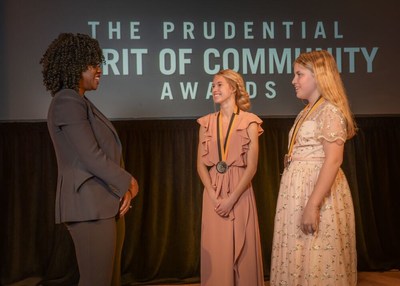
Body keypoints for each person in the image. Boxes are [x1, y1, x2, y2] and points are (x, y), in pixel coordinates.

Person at [40, 33, 139, 286]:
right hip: (88, 207)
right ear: (74, 66)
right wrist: (128, 182)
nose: (99, 70)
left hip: (103, 204)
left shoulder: (81, 102)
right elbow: (91, 157)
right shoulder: (66, 101)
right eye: (92, 63)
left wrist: (120, 190)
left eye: (99, 63)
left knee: (110, 281)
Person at [270, 50, 357, 285]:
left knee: (317, 254)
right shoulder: (306, 111)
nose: (293, 80)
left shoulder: (330, 110)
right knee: (300, 254)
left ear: (318, 75)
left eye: (299, 74)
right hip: (298, 191)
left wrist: (313, 204)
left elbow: (333, 160)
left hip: (315, 192)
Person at [197, 69, 264, 286]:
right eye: (213, 86)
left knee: (243, 252)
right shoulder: (206, 122)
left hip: (240, 191)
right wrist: (214, 196)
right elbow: (200, 165)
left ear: (233, 88)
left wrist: (231, 199)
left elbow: (252, 167)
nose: (214, 89)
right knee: (216, 250)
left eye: (219, 85)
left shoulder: (250, 121)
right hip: (213, 193)